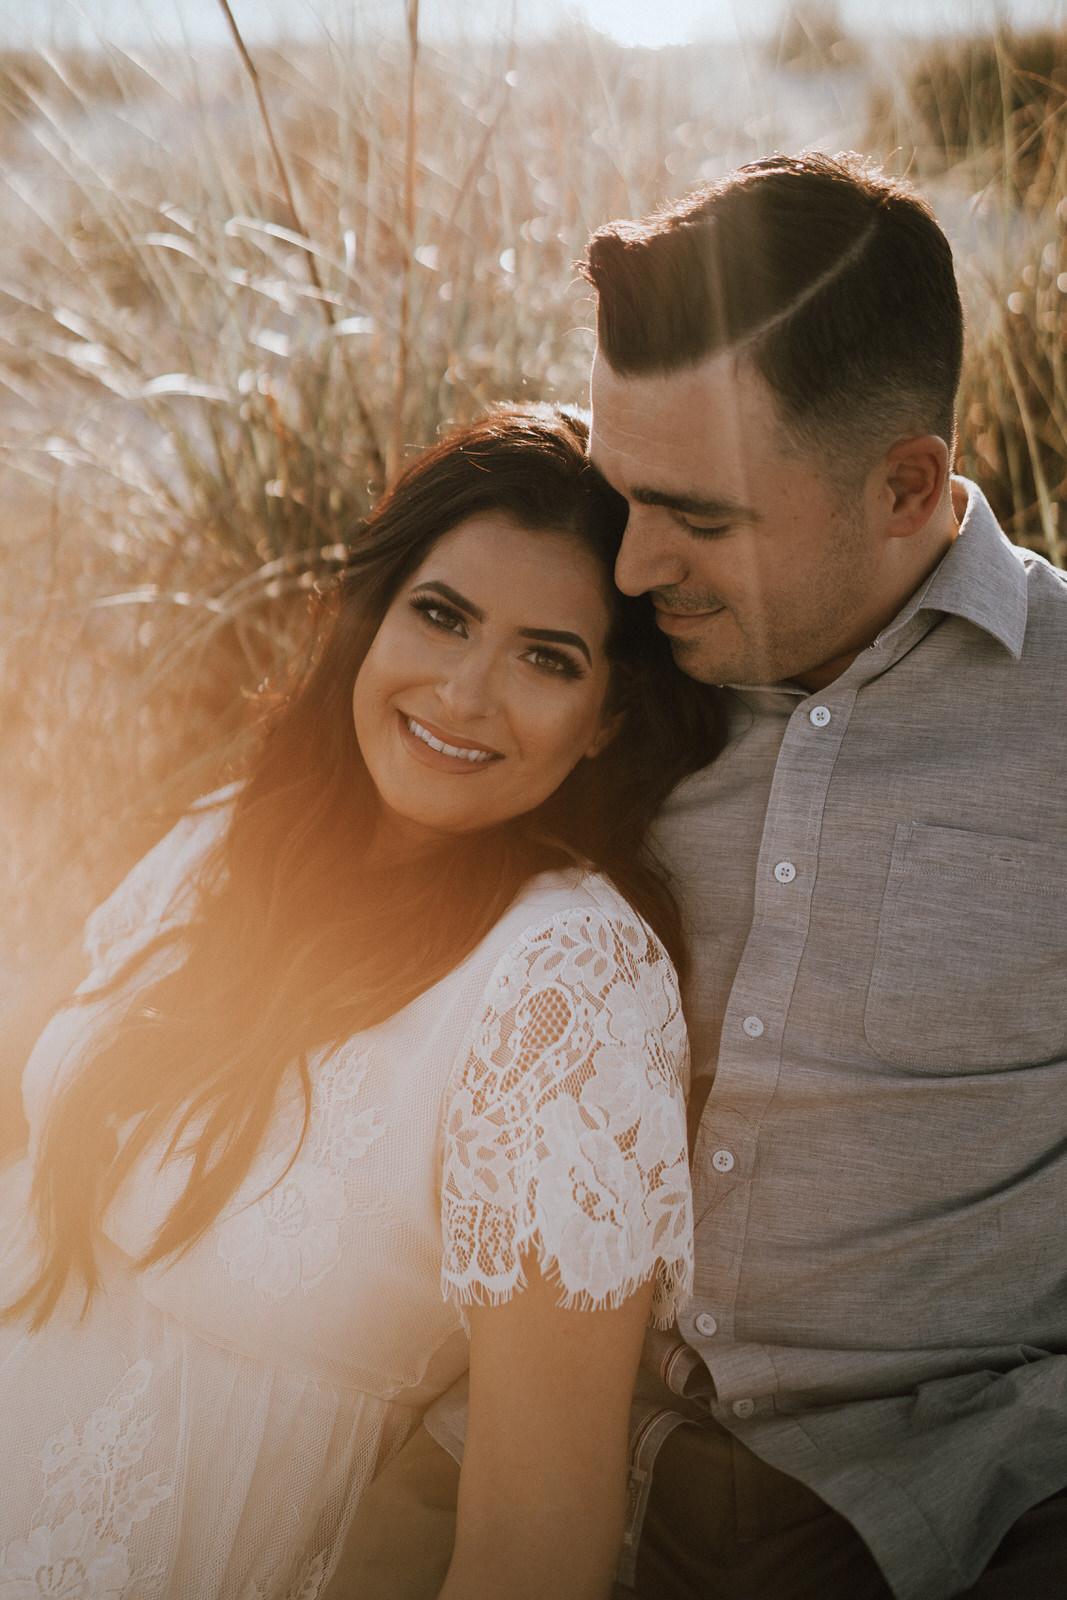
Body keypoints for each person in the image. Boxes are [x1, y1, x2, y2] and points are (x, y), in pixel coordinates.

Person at [334, 154, 1067, 1599]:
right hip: (524, 1422)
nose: (627, 563)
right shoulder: (605, 674)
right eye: (621, 494)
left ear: (905, 483)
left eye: (697, 516)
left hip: (948, 1494)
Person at [0, 404, 726, 1600]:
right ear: (372, 614)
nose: (464, 692)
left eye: (549, 657)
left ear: (608, 720)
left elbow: (535, 1532)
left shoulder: (566, 985)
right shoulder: (227, 840)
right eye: (440, 616)